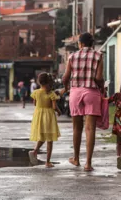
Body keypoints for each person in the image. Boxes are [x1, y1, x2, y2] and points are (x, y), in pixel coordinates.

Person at [61, 32, 104, 172]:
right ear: (92, 44)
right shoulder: (98, 56)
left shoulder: (72, 56)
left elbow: (65, 77)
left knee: (76, 128)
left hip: (76, 92)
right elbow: (98, 78)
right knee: (90, 129)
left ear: (80, 44)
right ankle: (88, 164)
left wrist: (67, 88)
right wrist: (102, 88)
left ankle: (76, 158)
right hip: (91, 92)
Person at [29, 73, 61, 168]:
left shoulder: (36, 92)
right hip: (49, 117)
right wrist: (59, 111)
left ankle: (34, 151)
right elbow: (54, 107)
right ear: (49, 82)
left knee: (42, 136)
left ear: (39, 82)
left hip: (39, 116)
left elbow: (35, 104)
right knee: (50, 140)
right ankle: (47, 162)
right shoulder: (51, 93)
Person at [108, 86, 121, 169]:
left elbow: (107, 101)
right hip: (119, 123)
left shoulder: (117, 96)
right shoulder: (117, 96)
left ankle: (119, 157)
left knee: (119, 142)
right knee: (119, 142)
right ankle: (119, 158)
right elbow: (107, 101)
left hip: (118, 122)